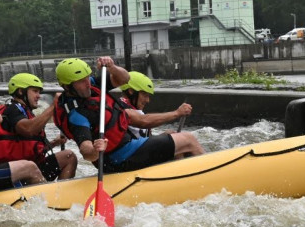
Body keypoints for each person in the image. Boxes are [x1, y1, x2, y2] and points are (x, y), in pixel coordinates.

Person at [52, 57, 198, 174]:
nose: (87, 83)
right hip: (120, 159)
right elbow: (85, 150)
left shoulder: (92, 85)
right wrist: (95, 150)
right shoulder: (76, 114)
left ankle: (183, 177)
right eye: (81, 81)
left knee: (174, 139)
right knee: (188, 139)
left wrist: (112, 67)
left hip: (127, 147)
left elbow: (124, 79)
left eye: (87, 77)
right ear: (67, 86)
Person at [0, 73, 77, 181]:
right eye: (35, 91)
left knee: (69, 157)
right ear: (21, 91)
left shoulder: (27, 113)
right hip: (16, 172)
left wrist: (55, 143)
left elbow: (32, 149)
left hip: (32, 167)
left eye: (39, 92)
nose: (39, 96)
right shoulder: (11, 109)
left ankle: (61, 192)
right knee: (66, 156)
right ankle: (49, 194)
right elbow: (28, 130)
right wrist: (54, 106)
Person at [117, 71, 205, 159]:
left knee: (178, 143)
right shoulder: (122, 109)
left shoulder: (134, 109)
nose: (147, 100)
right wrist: (177, 113)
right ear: (131, 91)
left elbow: (144, 137)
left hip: (135, 152)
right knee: (188, 139)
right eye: (144, 95)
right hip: (128, 156)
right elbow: (144, 121)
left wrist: (163, 136)